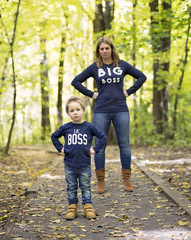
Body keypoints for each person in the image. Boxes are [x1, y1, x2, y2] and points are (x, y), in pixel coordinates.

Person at [71, 36, 146, 193]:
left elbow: (141, 77)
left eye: (107, 48)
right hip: (101, 111)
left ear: (112, 49)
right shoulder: (94, 67)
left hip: (121, 109)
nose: (104, 51)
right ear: (98, 51)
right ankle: (100, 182)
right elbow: (76, 81)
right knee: (100, 145)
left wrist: (128, 92)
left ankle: (126, 179)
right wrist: (92, 94)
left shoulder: (122, 65)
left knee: (124, 144)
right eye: (101, 49)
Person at [51, 96, 107, 220]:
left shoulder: (89, 127)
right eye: (72, 110)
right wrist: (60, 148)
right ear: (68, 113)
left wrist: (95, 149)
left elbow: (102, 137)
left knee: (85, 186)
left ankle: (88, 207)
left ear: (83, 111)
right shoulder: (66, 127)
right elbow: (54, 136)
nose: (75, 112)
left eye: (78, 109)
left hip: (84, 164)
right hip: (69, 164)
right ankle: (72, 207)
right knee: (71, 186)